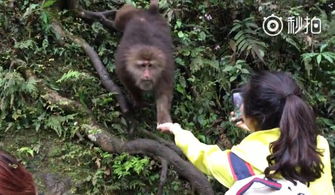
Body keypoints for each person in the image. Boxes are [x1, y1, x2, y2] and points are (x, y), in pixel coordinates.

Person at [157, 71, 334, 195]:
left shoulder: (238, 163)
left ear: (253, 116)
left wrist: (177, 130)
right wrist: (257, 129)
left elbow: (204, 156)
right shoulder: (317, 145)